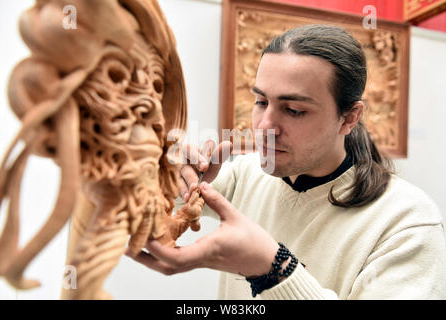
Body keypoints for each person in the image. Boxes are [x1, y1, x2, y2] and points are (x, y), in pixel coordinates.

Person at [126, 24, 446, 299]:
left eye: (294, 110)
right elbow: (131, 190)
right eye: (261, 101)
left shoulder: (406, 224)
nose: (265, 126)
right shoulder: (247, 175)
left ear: (349, 117)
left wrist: (273, 269)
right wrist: (162, 164)